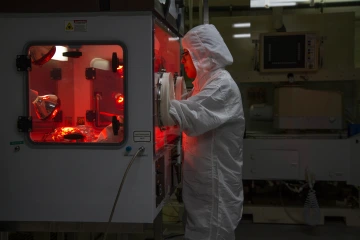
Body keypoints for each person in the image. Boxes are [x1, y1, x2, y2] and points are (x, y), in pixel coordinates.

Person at [168, 24, 245, 240]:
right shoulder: (205, 84)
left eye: (186, 54)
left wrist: (148, 99)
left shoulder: (221, 86)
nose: (183, 60)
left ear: (201, 55)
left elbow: (190, 115)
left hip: (214, 189)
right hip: (205, 184)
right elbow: (186, 105)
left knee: (210, 233)